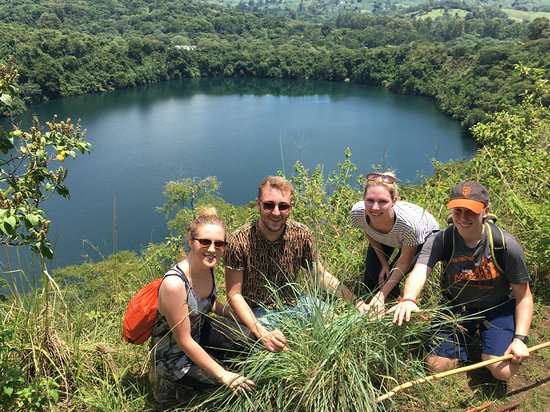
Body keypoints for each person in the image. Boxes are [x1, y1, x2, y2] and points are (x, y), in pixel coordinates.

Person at [390, 181, 533, 381]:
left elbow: (524, 296)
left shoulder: (505, 245)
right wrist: (409, 299)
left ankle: (492, 339)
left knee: (503, 372)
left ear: (485, 211)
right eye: (458, 211)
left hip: (497, 307)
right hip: (456, 307)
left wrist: (520, 339)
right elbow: (421, 269)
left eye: (471, 212)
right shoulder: (442, 239)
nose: (463, 218)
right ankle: (467, 338)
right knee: (437, 367)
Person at [224, 176, 369, 352]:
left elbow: (320, 276)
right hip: (257, 311)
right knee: (275, 352)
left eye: (283, 206)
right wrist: (261, 332)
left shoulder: (301, 234)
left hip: (296, 303)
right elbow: (234, 295)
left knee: (341, 329)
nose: (276, 212)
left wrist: (356, 302)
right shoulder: (239, 241)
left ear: (290, 207)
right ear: (258, 204)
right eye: (269, 205)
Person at [149, 208, 255, 407]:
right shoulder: (175, 284)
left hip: (200, 332)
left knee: (248, 337)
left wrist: (235, 316)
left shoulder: (208, 267)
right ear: (191, 241)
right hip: (175, 358)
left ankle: (219, 363)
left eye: (219, 243)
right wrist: (223, 375)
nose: (212, 249)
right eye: (205, 242)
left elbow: (209, 301)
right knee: (231, 392)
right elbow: (184, 341)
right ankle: (169, 389)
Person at [350, 171, 439, 314]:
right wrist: (384, 263)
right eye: (370, 200)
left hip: (423, 236)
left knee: (392, 280)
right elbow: (370, 232)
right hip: (388, 234)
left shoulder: (410, 226)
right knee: (371, 283)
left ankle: (398, 306)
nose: (375, 207)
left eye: (383, 201)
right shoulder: (357, 212)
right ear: (363, 199)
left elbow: (403, 262)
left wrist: (381, 296)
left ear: (394, 201)